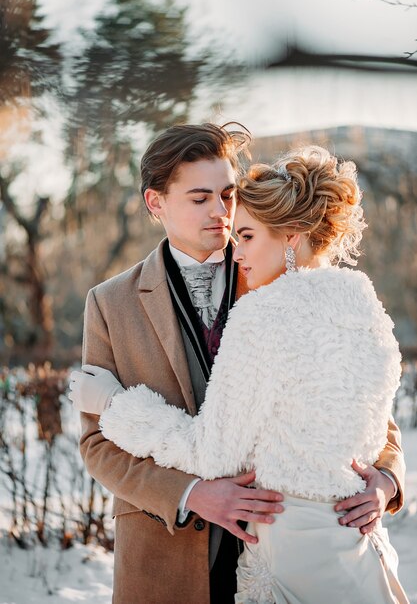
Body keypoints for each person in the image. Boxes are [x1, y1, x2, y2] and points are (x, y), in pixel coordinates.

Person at [71, 130, 406, 603]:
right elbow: (96, 443)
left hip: (287, 548)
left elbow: (368, 412)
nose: (221, 212)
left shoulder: (274, 268)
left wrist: (386, 480)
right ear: (155, 202)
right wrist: (191, 494)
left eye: (228, 194)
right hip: (166, 555)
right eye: (200, 197)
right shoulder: (110, 303)